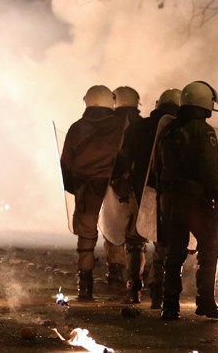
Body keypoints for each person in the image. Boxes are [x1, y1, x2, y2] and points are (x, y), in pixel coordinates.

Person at [153, 81, 218, 320]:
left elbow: (157, 167)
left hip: (170, 200)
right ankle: (205, 302)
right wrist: (217, 195)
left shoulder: (168, 130)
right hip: (195, 200)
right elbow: (210, 169)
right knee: (210, 246)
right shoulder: (204, 132)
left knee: (174, 252)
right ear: (205, 103)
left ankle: (169, 305)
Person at [110, 88, 181, 307]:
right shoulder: (180, 130)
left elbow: (121, 160)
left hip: (137, 192)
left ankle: (134, 288)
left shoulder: (137, 129)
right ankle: (159, 292)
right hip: (169, 194)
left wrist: (119, 182)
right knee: (164, 242)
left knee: (134, 242)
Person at [60, 85, 126, 301]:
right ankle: (116, 282)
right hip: (114, 188)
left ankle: (85, 288)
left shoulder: (77, 128)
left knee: (86, 239)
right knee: (115, 234)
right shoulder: (121, 125)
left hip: (86, 188)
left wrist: (74, 188)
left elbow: (66, 164)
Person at [102, 86, 143, 292]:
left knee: (112, 230)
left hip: (113, 184)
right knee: (135, 237)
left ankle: (115, 276)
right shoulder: (144, 125)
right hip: (139, 187)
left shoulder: (106, 125)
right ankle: (135, 281)